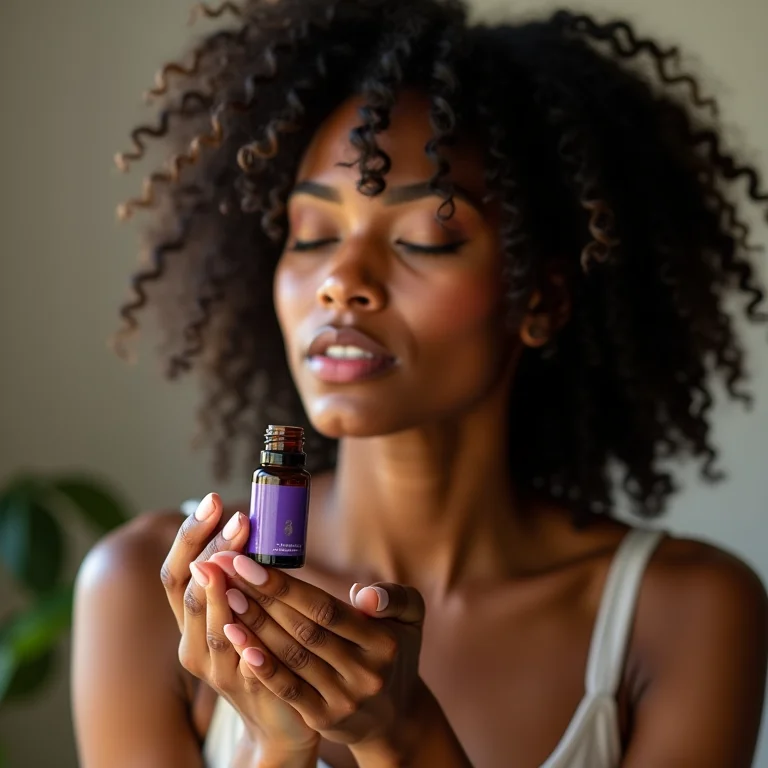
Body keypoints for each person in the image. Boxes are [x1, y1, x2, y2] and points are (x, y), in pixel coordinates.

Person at [71, 1, 768, 766]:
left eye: (423, 239)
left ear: (541, 298)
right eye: (312, 235)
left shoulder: (687, 615)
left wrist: (402, 738)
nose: (341, 282)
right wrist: (277, 747)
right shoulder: (147, 592)